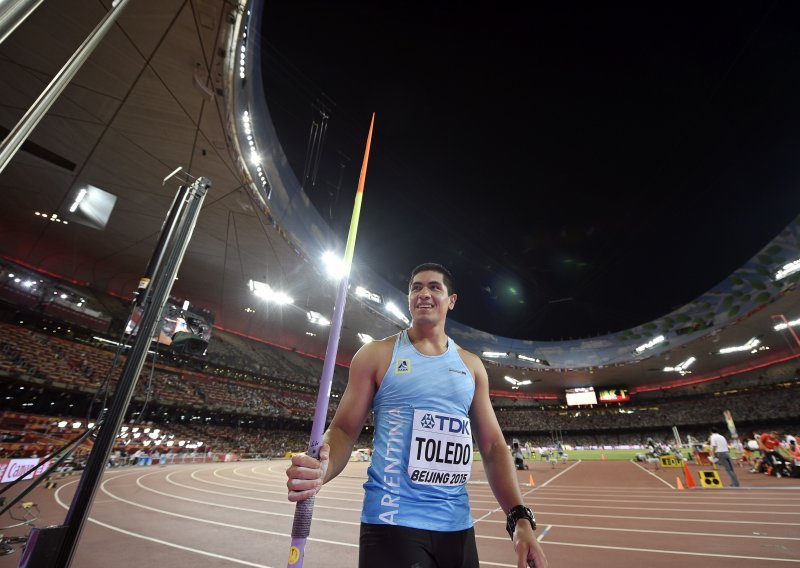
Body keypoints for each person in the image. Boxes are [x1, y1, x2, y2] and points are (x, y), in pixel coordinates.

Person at [286, 262, 548, 568]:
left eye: (434, 287)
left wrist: (519, 518)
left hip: (457, 526)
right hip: (391, 521)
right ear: (410, 298)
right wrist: (322, 469)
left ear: (451, 300)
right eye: (416, 287)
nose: (424, 293)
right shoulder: (377, 355)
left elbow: (492, 447)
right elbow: (343, 430)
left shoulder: (472, 366)